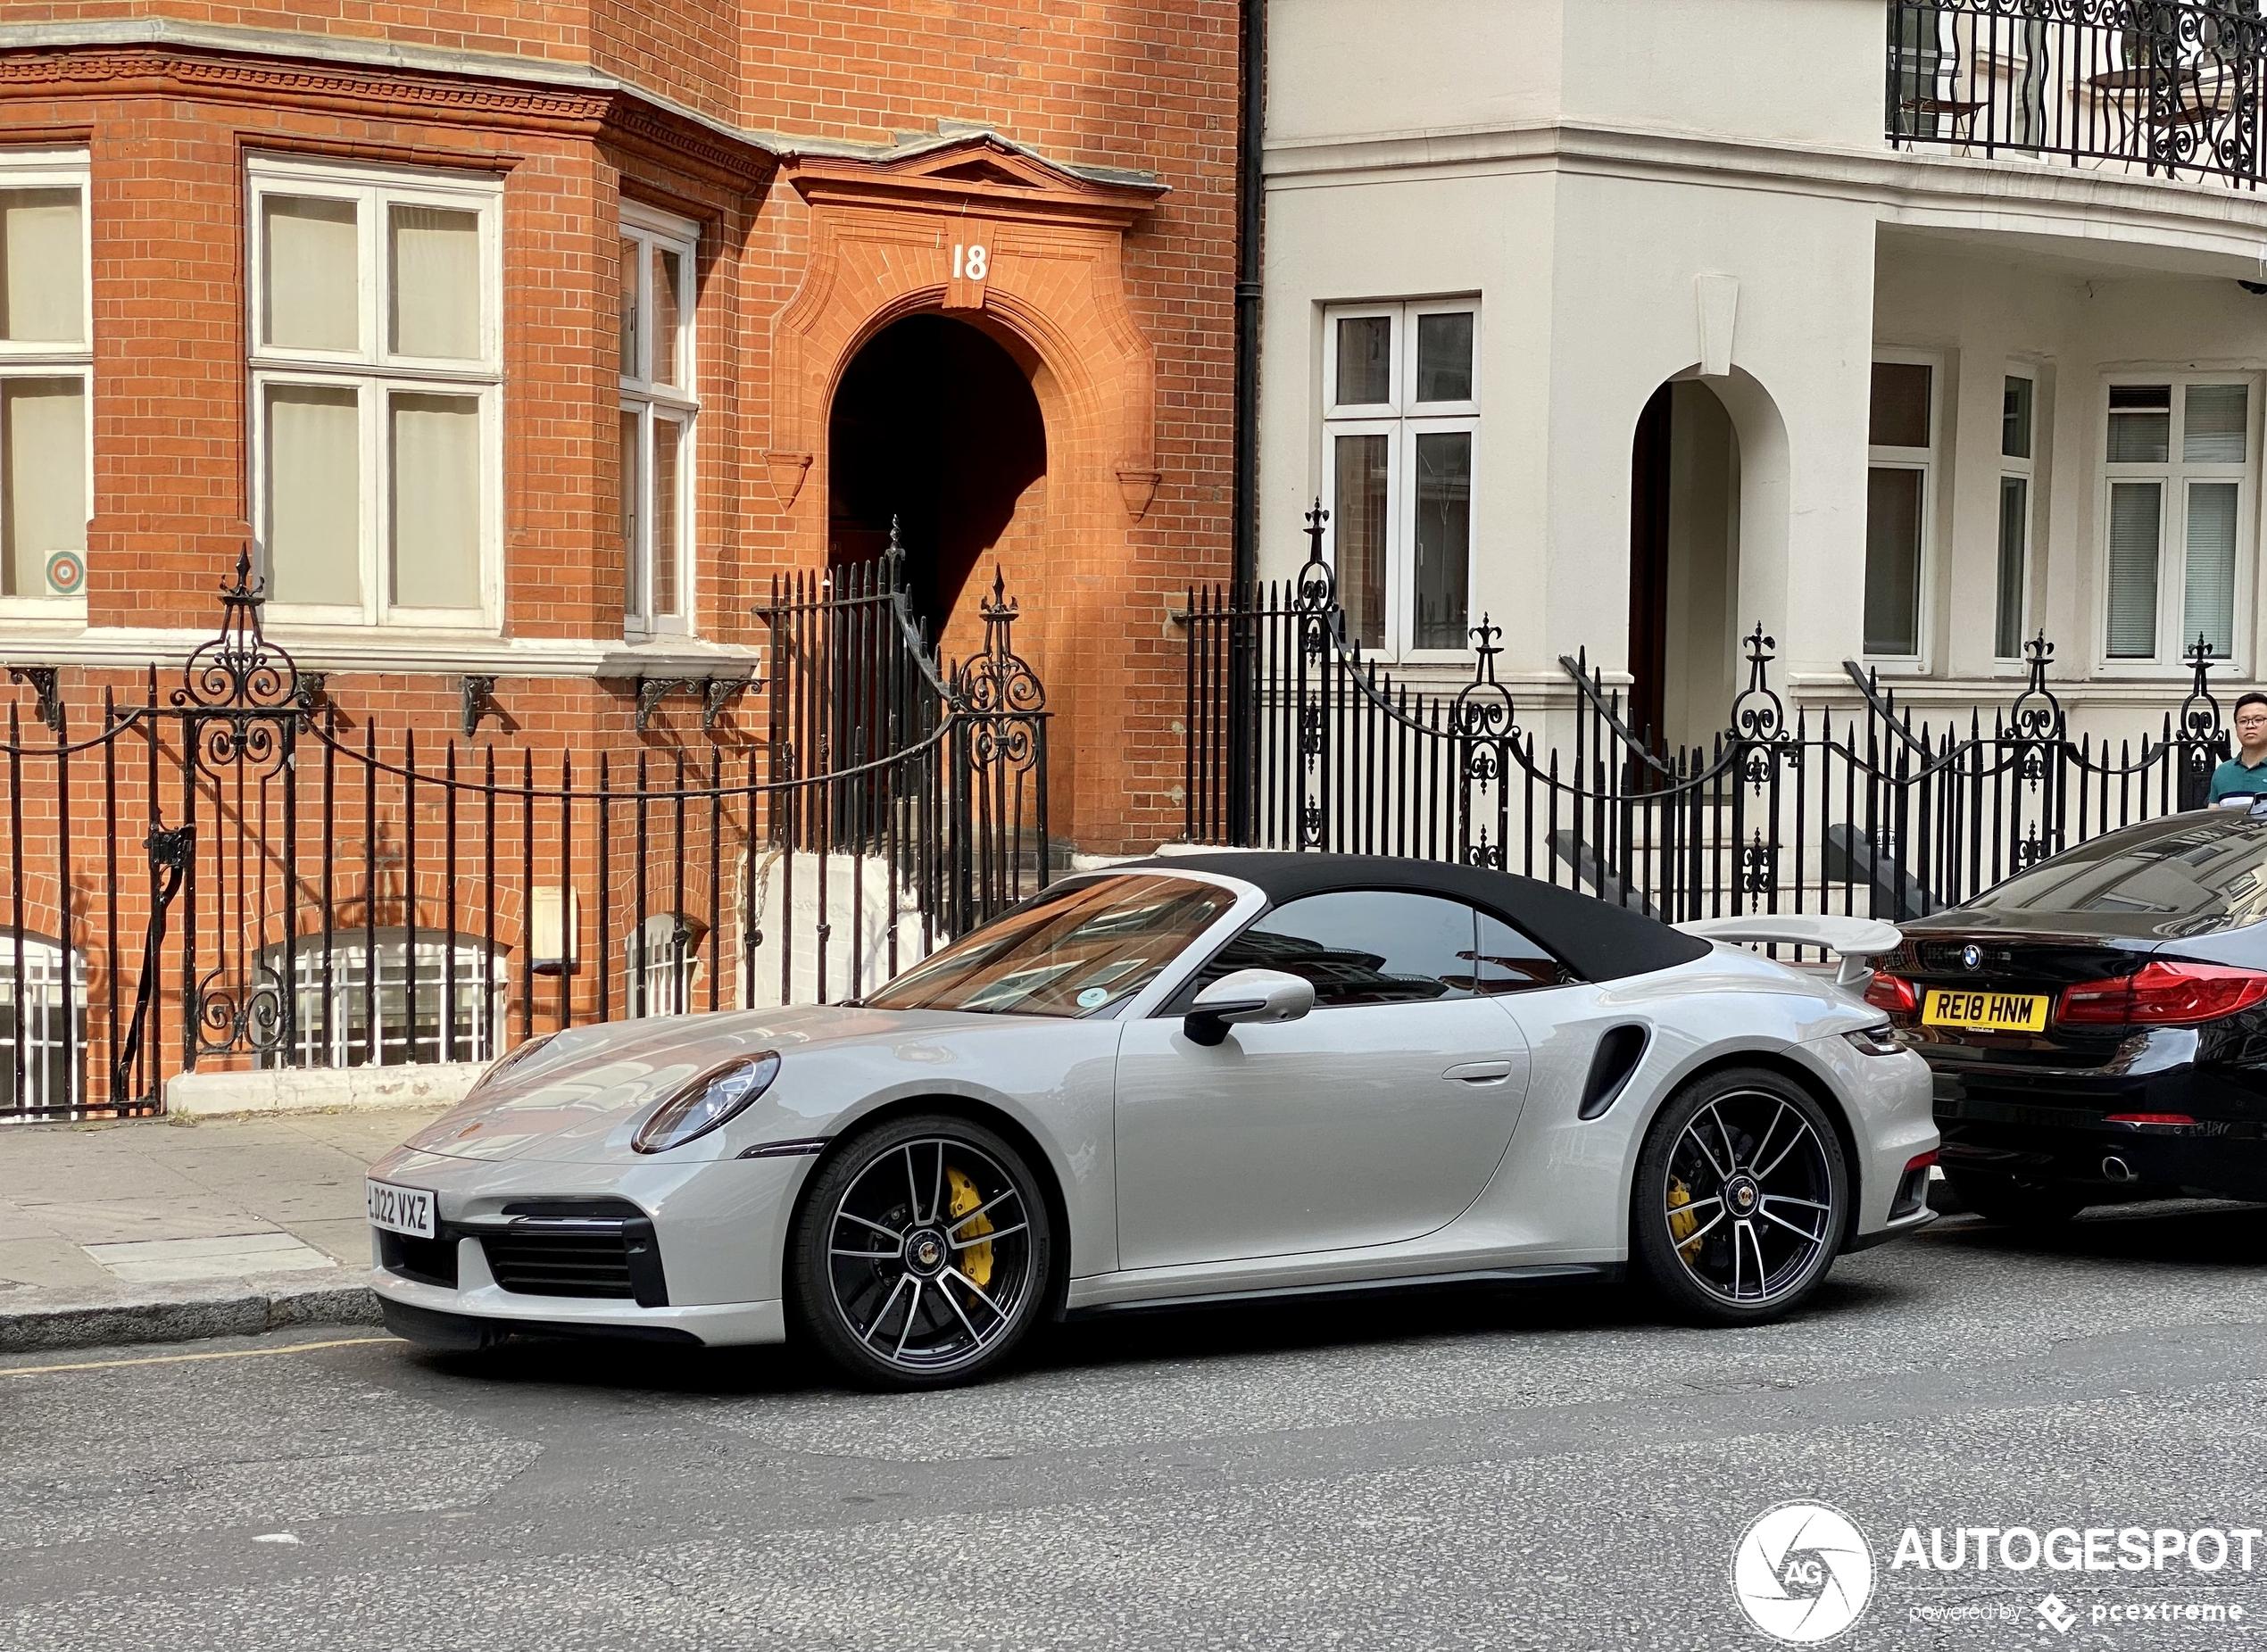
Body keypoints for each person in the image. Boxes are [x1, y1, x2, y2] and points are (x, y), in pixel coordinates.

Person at [2209, 692, 2267, 803]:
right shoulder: (2223, 772)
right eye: (2243, 721)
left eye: (2258, 720)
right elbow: (2214, 814)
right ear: (2236, 727)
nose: (2250, 726)